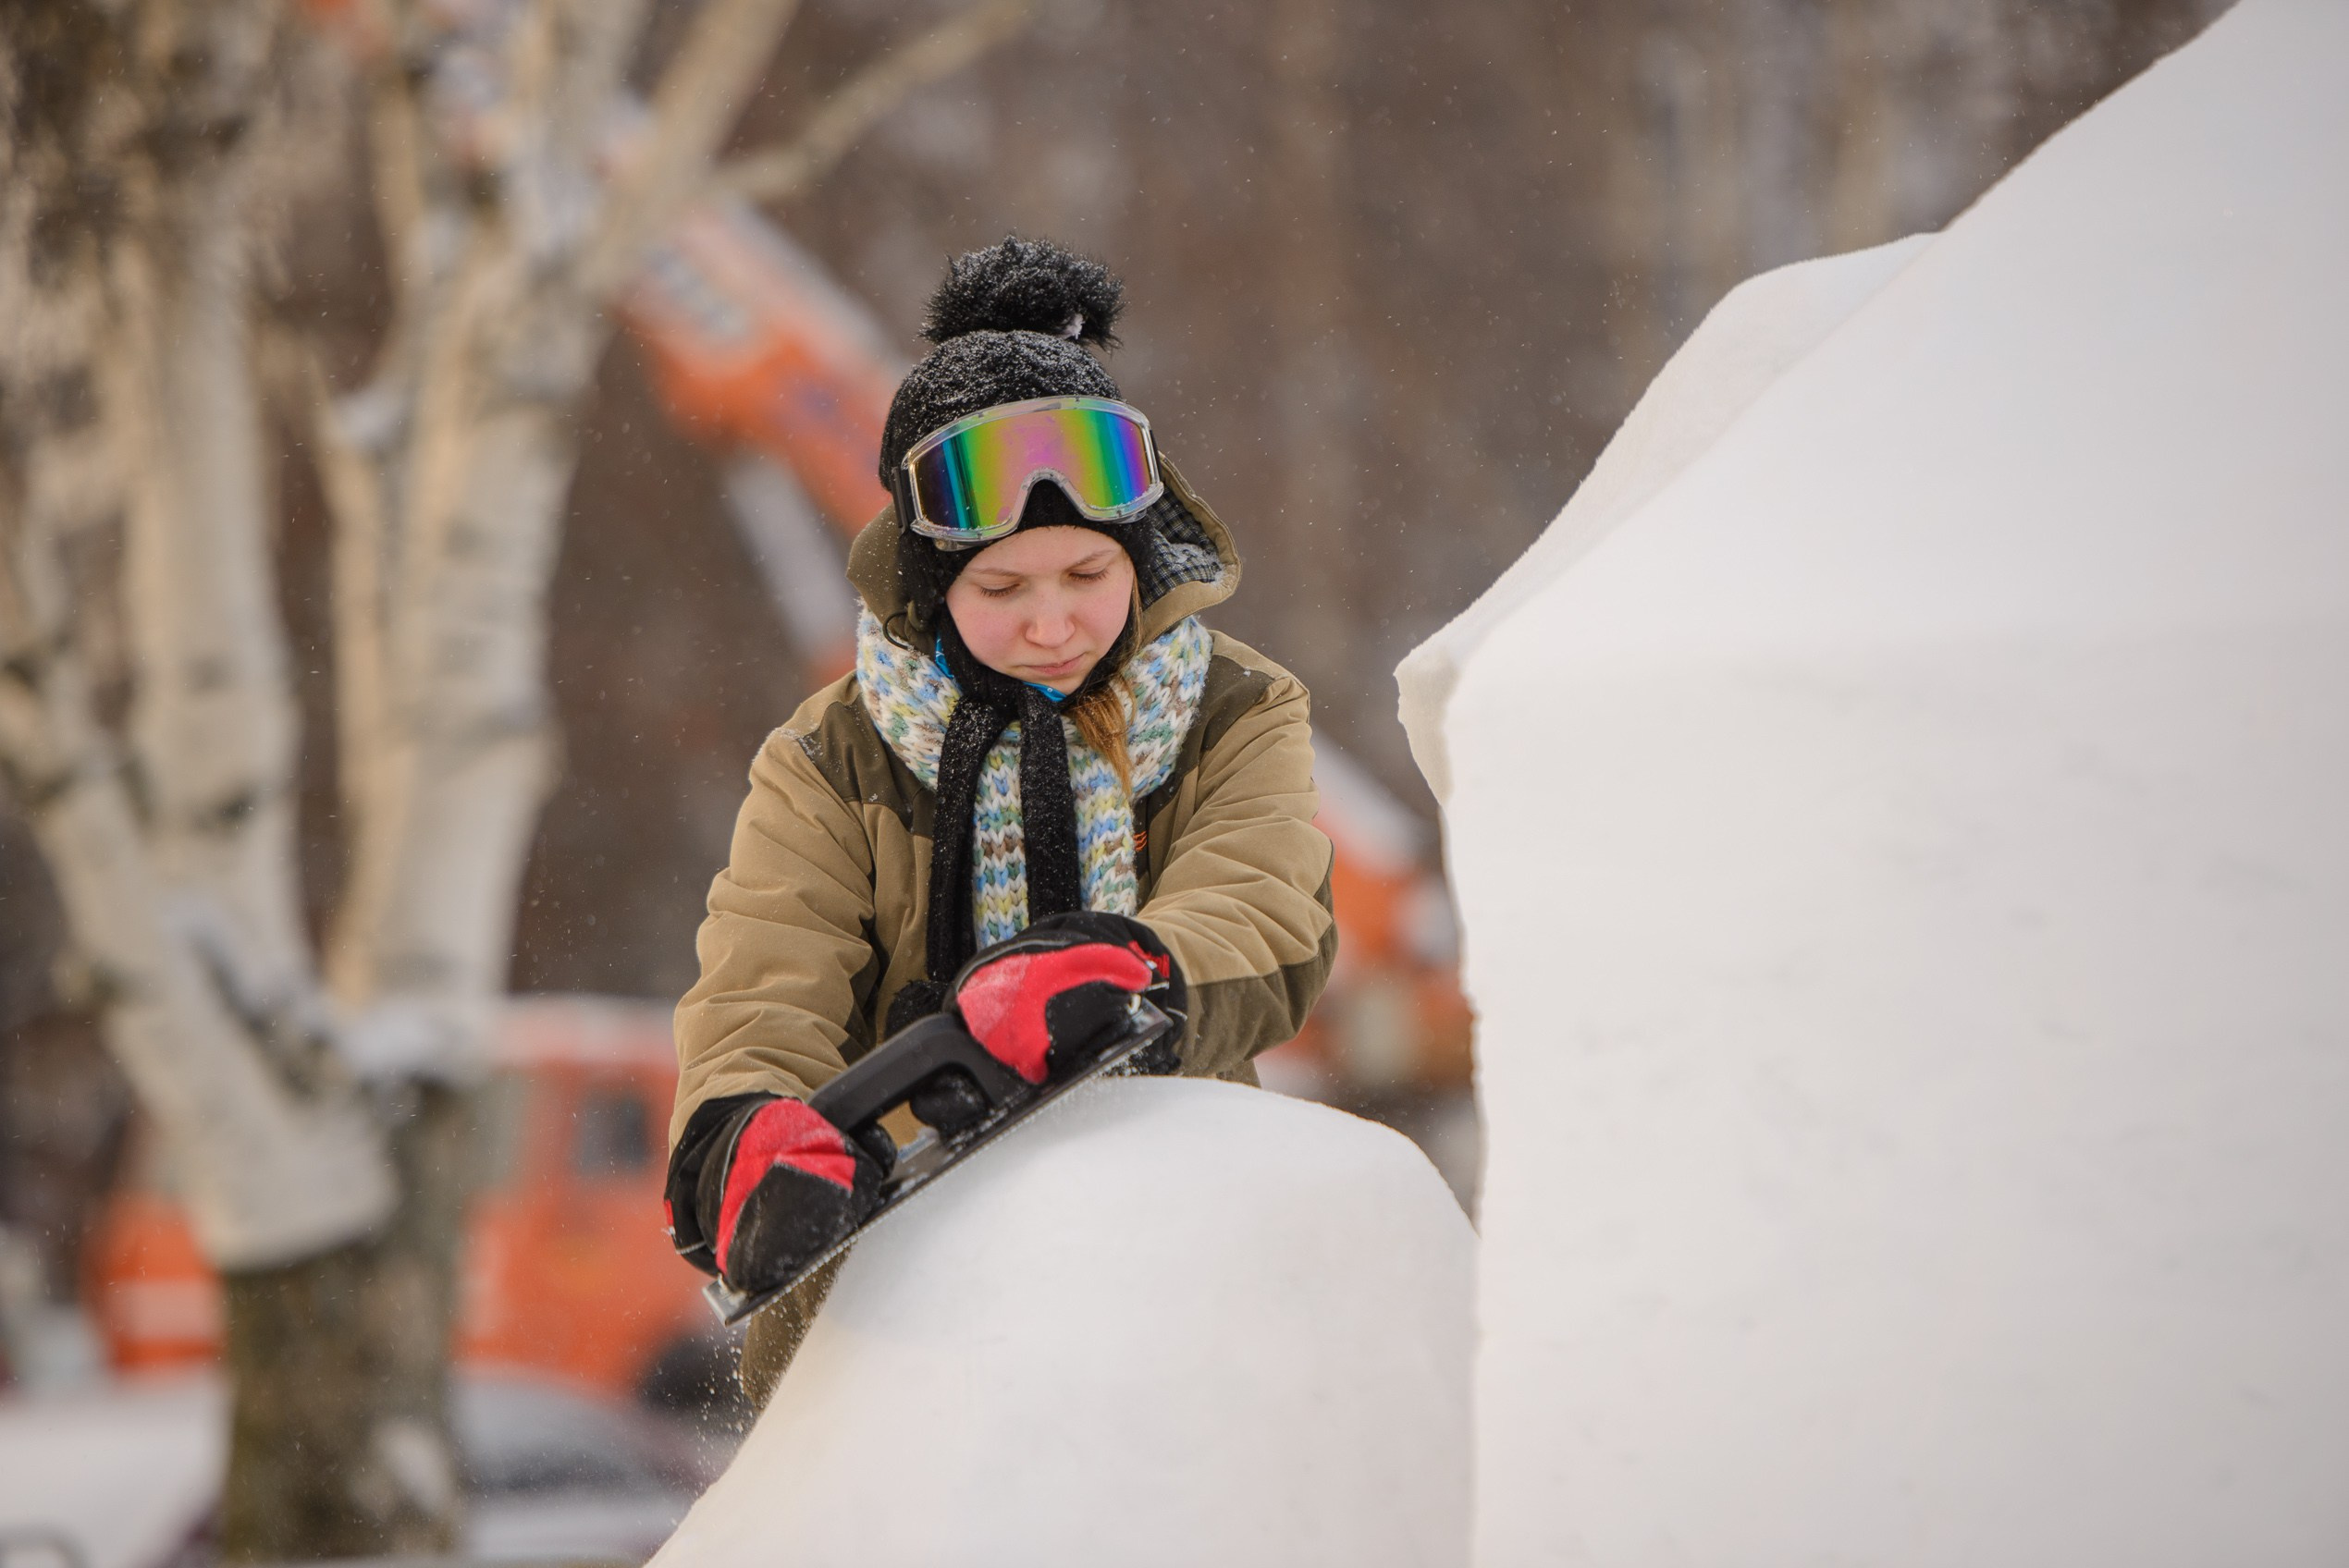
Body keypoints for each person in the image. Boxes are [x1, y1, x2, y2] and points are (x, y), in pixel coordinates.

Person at [662, 237, 1338, 1403]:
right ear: (931, 589)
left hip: (1173, 1280)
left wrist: (1131, 977)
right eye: (1001, 589)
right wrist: (743, 1134)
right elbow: (766, 980)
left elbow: (1263, 907)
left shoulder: (1236, 710)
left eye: (1085, 573)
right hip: (896, 1322)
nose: (1052, 624)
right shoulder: (831, 761)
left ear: (1138, 547)